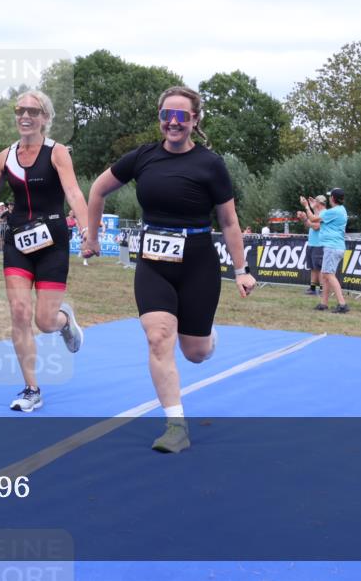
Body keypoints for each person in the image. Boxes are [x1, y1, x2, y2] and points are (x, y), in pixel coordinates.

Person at [83, 86, 256, 454]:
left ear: (195, 120)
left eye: (181, 116)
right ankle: (176, 425)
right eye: (166, 115)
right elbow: (97, 190)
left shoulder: (211, 164)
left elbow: (228, 221)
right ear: (159, 118)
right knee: (159, 336)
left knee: (194, 352)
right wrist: (92, 236)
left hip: (197, 262)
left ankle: (208, 338)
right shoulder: (143, 157)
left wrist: (241, 269)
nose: (173, 123)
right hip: (153, 263)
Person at [0, 90, 89, 412]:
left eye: (33, 111)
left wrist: (87, 231)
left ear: (45, 118)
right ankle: (31, 388)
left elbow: (73, 192)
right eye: (20, 110)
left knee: (44, 320)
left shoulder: (57, 153)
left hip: (53, 242)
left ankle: (63, 322)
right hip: (18, 241)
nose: (25, 116)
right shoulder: (5, 156)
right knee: (19, 311)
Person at [304, 188, 349, 313]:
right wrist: (315, 207)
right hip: (335, 246)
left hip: (332, 247)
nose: (329, 198)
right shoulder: (341, 210)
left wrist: (307, 207)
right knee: (324, 275)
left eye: (330, 196)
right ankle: (324, 304)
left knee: (329, 275)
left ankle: (342, 304)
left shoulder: (334, 211)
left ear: (333, 199)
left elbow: (313, 219)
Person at [298, 194, 327, 296]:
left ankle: (323, 289)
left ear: (319, 203)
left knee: (319, 268)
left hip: (319, 244)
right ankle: (313, 288)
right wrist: (304, 219)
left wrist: (306, 215)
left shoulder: (324, 213)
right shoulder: (316, 213)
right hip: (312, 243)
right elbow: (309, 226)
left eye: (315, 202)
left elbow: (316, 227)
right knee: (313, 268)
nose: (313, 204)